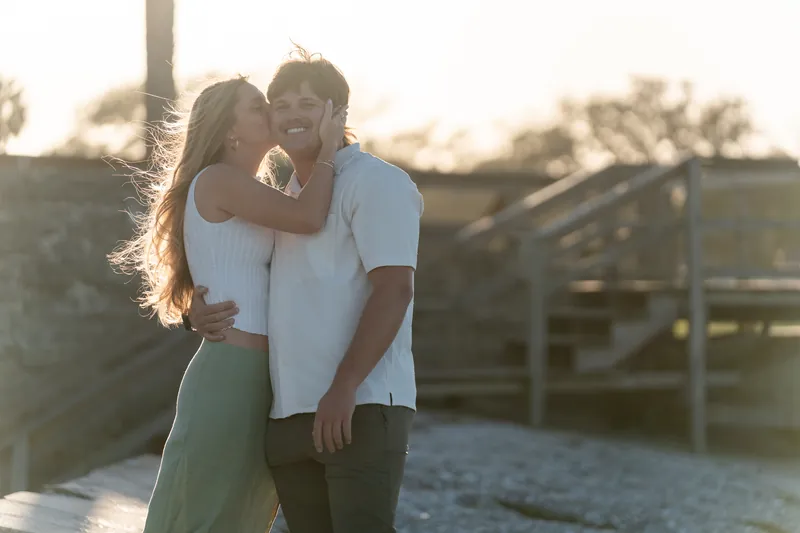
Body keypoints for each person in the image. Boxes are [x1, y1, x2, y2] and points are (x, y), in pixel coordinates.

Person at [186, 46, 424, 533]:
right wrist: (195, 307)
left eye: (308, 104)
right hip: (287, 416)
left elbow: (395, 290)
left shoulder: (377, 182)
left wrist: (344, 387)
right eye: (281, 105)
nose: (292, 115)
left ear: (338, 113)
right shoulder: (289, 198)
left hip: (359, 406)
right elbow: (238, 265)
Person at [108, 74, 347, 533]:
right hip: (231, 373)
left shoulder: (253, 190)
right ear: (229, 129)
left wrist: (193, 314)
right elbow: (308, 217)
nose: (271, 111)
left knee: (244, 509)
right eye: (258, 106)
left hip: (263, 374)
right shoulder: (219, 180)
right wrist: (329, 150)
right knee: (207, 510)